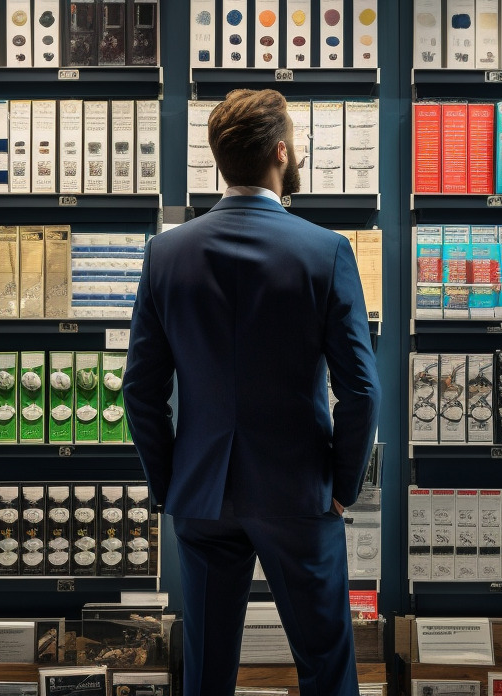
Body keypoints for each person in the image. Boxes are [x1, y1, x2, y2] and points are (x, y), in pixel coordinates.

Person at [123, 88, 380, 696]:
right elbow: (361, 391)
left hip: (202, 494)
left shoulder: (166, 253)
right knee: (325, 667)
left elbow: (140, 389)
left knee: (207, 672)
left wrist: (173, 484)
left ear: (220, 160)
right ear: (281, 153)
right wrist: (342, 486)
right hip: (297, 492)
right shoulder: (325, 251)